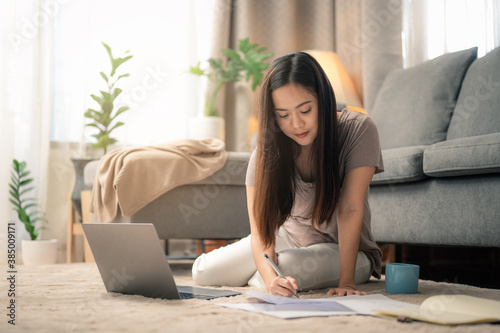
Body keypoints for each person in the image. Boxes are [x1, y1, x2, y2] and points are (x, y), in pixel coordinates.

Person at [192, 51, 384, 297]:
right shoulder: (267, 148)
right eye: (283, 115)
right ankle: (263, 276)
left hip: (348, 251)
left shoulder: (359, 129)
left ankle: (262, 275)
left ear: (323, 100)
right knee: (204, 272)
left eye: (305, 110)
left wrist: (346, 283)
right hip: (289, 238)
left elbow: (349, 209)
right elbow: (262, 229)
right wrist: (270, 276)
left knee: (287, 269)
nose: (296, 124)